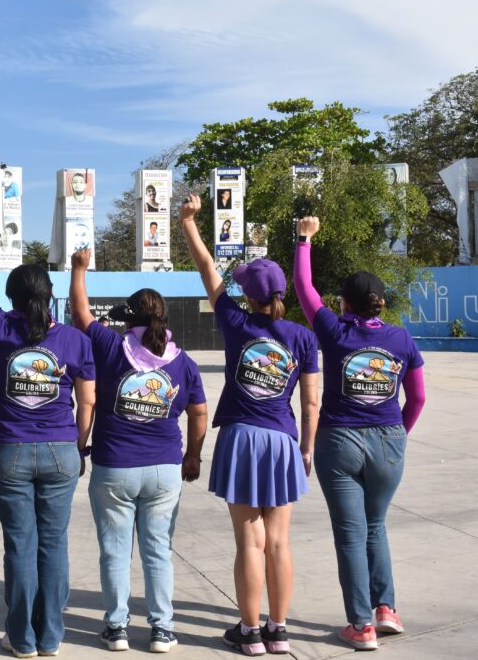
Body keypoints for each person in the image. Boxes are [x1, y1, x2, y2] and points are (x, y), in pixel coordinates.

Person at [179, 194, 320, 656]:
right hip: (282, 440)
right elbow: (311, 401)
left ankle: (250, 631)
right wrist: (306, 447)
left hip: (241, 438)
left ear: (250, 296)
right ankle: (279, 631)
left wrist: (188, 222)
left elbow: (206, 267)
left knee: (248, 542)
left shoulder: (236, 323)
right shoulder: (303, 337)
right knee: (278, 542)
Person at [293, 216, 426, 652]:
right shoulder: (402, 339)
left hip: (340, 442)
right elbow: (418, 398)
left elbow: (304, 288)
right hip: (388, 440)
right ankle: (386, 609)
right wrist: (397, 435)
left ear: (345, 303)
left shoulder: (334, 332)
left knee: (351, 534)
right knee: (375, 526)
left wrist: (304, 239)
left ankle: (360, 625)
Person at [0, 205, 96, 658]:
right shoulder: (75, 340)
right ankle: (51, 637)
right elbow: (88, 402)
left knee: (20, 546)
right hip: (61, 449)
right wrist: (79, 446)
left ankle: (21, 638)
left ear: (13, 298)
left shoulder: (1, 327)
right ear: (49, 295)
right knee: (54, 543)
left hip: (10, 451)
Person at [68, 248, 208, 653]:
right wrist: (193, 455)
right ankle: (162, 629)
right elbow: (199, 413)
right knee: (158, 551)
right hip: (165, 469)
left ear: (128, 319)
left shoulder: (112, 348)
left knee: (115, 552)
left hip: (115, 467)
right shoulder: (183, 362)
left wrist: (79, 269)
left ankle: (117, 628)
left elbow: (80, 313)